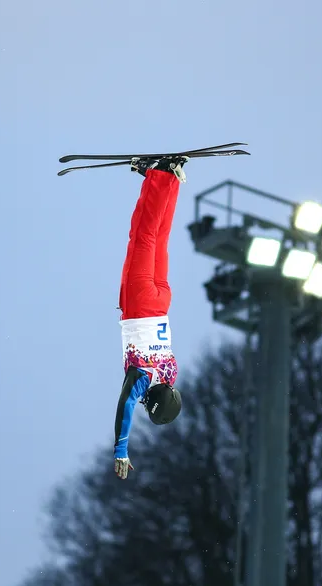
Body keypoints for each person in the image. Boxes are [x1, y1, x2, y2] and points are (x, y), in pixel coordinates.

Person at [113, 155, 189, 480]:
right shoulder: (142, 379)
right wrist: (121, 448)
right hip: (141, 302)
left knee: (159, 237)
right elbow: (125, 403)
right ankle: (158, 175)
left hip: (162, 302)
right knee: (142, 236)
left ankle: (167, 178)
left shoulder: (169, 373)